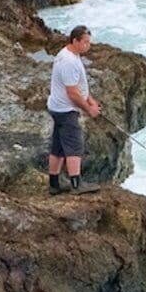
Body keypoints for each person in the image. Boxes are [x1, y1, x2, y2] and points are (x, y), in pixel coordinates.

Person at [44, 23, 102, 192]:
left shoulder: (69, 54)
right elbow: (73, 93)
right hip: (65, 110)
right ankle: (77, 185)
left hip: (57, 107)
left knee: (58, 147)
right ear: (75, 40)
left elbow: (79, 87)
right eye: (85, 42)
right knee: (75, 147)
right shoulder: (69, 61)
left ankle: (54, 185)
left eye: (89, 42)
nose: (88, 46)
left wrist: (91, 100)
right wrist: (88, 110)